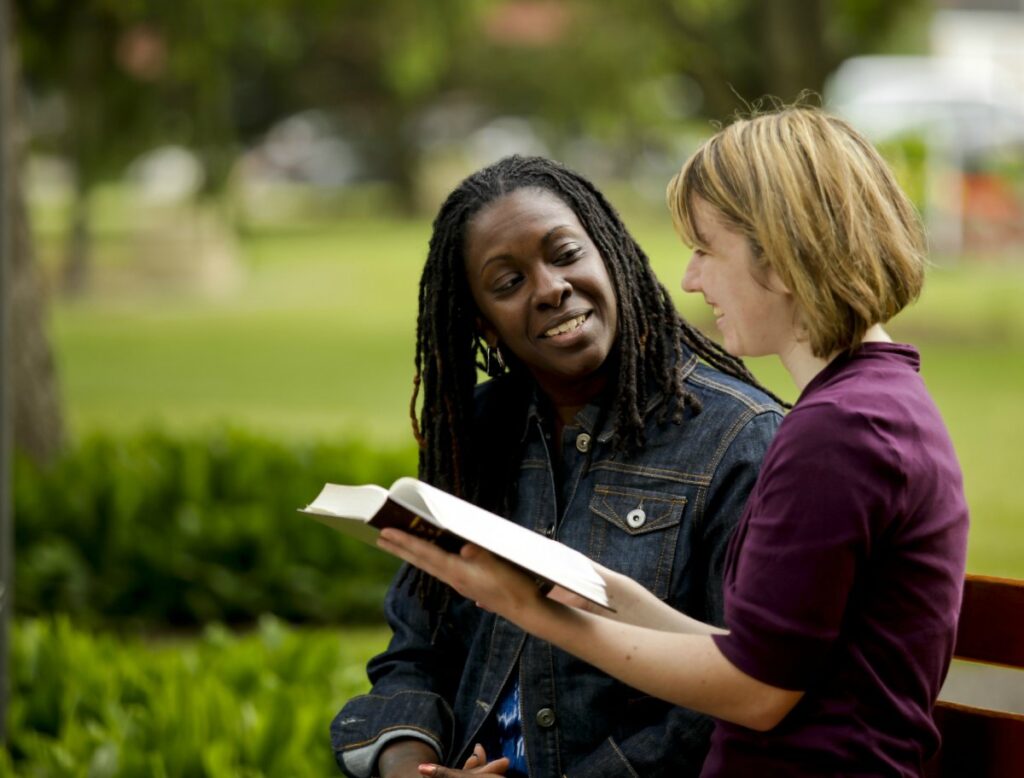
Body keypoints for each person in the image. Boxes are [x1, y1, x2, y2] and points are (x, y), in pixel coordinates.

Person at [378, 109, 970, 777]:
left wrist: (531, 612)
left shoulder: (841, 432)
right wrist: (599, 590)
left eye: (706, 250)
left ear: (777, 257)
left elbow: (757, 690)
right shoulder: (866, 409)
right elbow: (762, 652)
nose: (688, 279)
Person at [331, 155, 784, 778]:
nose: (549, 288)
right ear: (484, 325)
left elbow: (723, 701)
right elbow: (414, 653)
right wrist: (412, 767)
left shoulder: (736, 439)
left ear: (612, 256)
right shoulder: (475, 438)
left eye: (566, 253)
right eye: (508, 282)